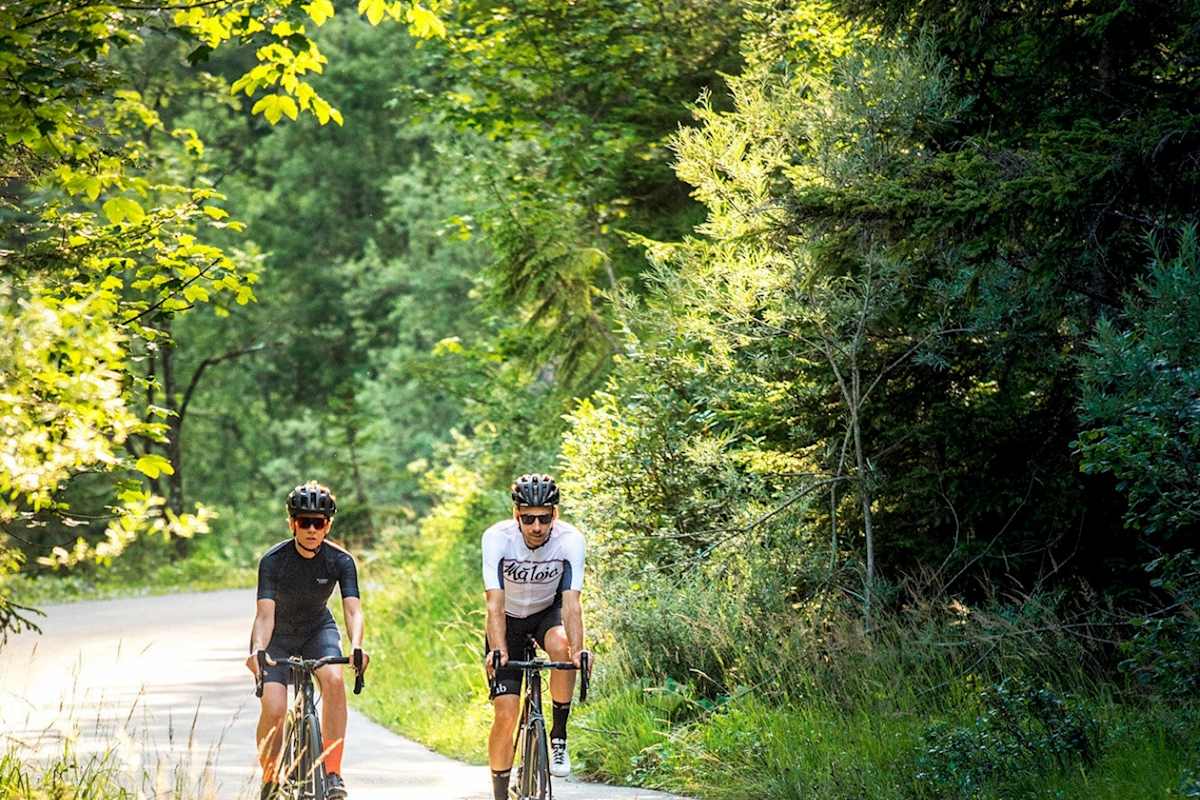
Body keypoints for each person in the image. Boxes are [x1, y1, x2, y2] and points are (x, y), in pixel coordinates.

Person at [245, 481, 368, 800]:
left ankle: (333, 774)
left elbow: (353, 611)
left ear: (328, 525)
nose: (312, 529)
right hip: (277, 635)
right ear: (292, 524)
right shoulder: (273, 560)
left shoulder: (341, 561)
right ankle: (271, 780)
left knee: (334, 680)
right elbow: (264, 615)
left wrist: (356, 646)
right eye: (304, 522)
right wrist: (259, 650)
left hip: (317, 630)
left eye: (319, 522)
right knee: (274, 707)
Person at [482, 473, 590, 800]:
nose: (536, 527)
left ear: (554, 515)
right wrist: (498, 649)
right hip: (507, 621)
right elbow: (493, 603)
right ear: (516, 515)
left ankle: (558, 737)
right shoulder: (497, 538)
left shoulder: (570, 539)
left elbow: (572, 604)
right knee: (506, 713)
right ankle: (500, 793)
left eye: (544, 518)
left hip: (547, 613)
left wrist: (579, 652)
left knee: (562, 645)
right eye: (528, 518)